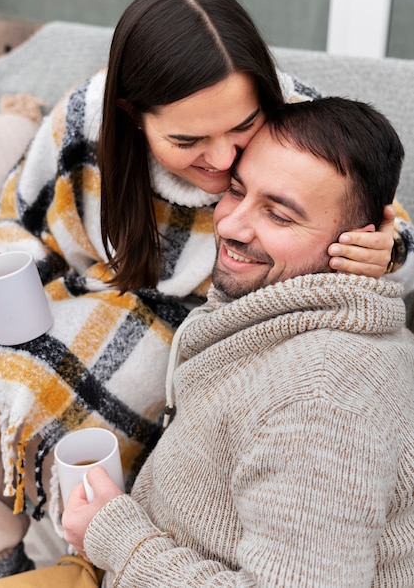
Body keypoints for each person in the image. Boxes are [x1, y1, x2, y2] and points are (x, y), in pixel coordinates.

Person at [0, 0, 412, 578]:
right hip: (101, 293)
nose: (221, 161)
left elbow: (375, 218)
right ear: (132, 117)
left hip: (222, 321)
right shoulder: (85, 121)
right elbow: (19, 218)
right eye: (188, 139)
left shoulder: (298, 122)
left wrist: (388, 250)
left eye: (241, 128)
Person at [55, 96, 414, 587]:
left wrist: (119, 537)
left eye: (280, 216)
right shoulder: (280, 304)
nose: (229, 225)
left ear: (358, 239)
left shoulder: (322, 400)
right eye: (237, 191)